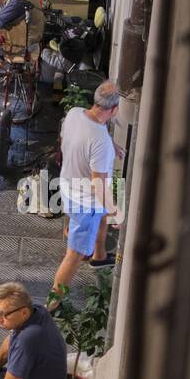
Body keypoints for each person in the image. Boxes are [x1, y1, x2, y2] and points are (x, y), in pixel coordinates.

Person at [50, 82, 121, 304]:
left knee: (97, 218)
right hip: (86, 202)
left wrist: (111, 144)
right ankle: (52, 304)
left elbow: (72, 140)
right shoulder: (100, 142)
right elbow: (98, 184)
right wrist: (116, 212)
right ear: (115, 109)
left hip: (68, 185)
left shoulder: (74, 114)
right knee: (74, 255)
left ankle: (99, 257)